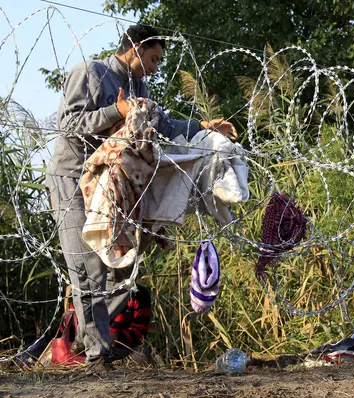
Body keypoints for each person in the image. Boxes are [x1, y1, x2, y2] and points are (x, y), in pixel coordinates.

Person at [47, 23, 236, 371]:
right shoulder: (90, 73)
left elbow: (163, 126)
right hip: (73, 179)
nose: (155, 66)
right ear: (134, 49)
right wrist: (116, 113)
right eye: (152, 58)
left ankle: (83, 340)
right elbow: (69, 124)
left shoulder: (139, 86)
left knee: (122, 265)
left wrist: (204, 127)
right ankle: (96, 355)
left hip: (112, 184)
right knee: (87, 267)